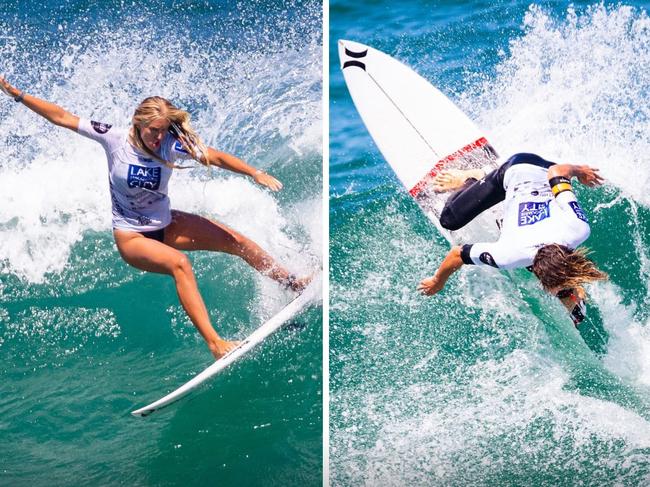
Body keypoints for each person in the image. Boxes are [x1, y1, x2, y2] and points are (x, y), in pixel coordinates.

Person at [1, 76, 310, 359]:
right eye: (153, 130)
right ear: (138, 124)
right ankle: (216, 344)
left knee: (237, 241)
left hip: (166, 224)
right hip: (132, 237)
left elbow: (212, 156)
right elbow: (63, 117)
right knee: (180, 264)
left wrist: (254, 172)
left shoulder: (171, 145)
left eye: (163, 130)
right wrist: (17, 94)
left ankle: (291, 282)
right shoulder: (114, 139)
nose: (158, 137)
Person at [417, 153, 607, 323]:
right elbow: (457, 254)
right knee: (449, 219)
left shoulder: (578, 229)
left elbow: (558, 171)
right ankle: (471, 178)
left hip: (543, 170)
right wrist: (437, 281)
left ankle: (570, 295)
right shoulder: (509, 255)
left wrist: (579, 171)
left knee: (544, 264)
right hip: (514, 170)